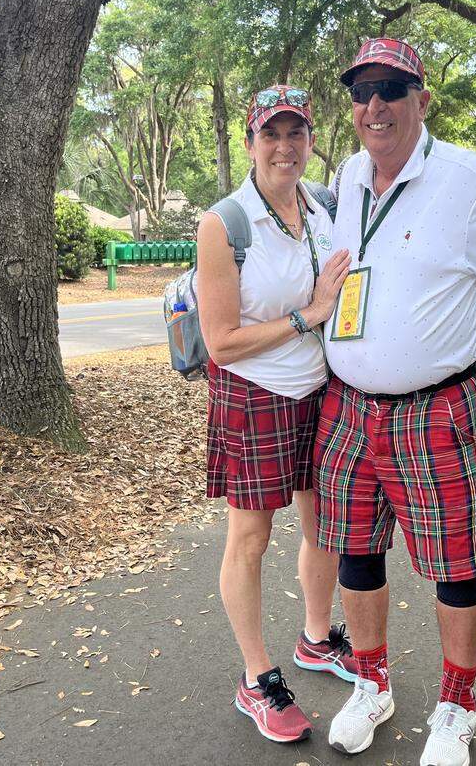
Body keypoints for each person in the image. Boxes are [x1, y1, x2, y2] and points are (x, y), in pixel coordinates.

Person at [314, 39, 476, 766]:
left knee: (455, 563)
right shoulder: (350, 177)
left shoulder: (468, 181)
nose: (375, 105)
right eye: (362, 91)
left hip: (435, 408)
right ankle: (372, 683)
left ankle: (456, 704)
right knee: (357, 553)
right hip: (349, 408)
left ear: (423, 98)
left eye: (392, 87)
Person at [196, 85, 355, 744]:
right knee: (251, 539)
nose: (285, 146)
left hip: (321, 392)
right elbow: (221, 341)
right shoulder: (226, 224)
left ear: (312, 137)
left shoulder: (324, 206)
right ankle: (256, 675)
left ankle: (317, 637)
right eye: (272, 133)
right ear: (250, 141)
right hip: (254, 396)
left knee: (324, 526)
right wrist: (306, 315)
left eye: (297, 132)